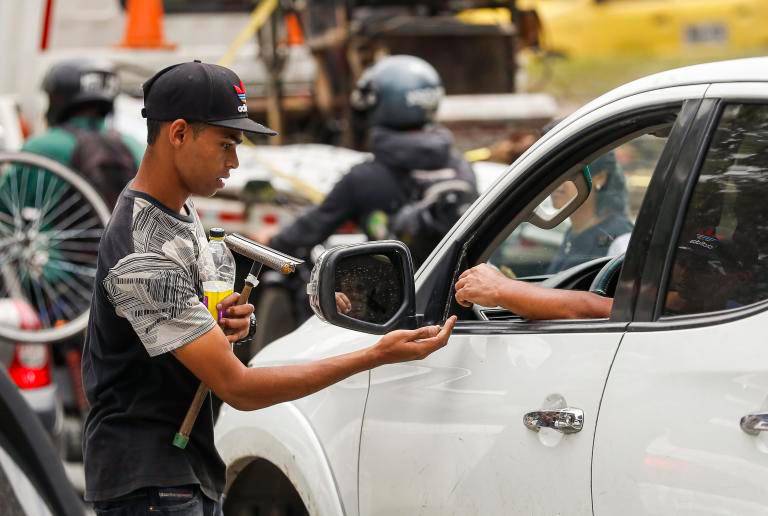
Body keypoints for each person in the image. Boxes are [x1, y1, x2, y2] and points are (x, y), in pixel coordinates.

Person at [81, 60, 456, 516]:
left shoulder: (178, 214)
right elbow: (239, 388)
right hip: (151, 486)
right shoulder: (143, 253)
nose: (234, 161)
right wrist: (375, 356)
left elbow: (173, 342)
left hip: (180, 474)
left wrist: (222, 322)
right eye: (225, 143)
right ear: (178, 134)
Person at [259, 55, 477, 267]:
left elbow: (310, 229)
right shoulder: (462, 168)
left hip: (396, 299)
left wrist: (270, 243)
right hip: (457, 295)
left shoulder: (364, 179)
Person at [455, 228, 753, 321]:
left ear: (736, 279)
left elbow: (583, 307)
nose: (685, 271)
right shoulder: (679, 301)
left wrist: (500, 289)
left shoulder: (734, 314)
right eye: (681, 260)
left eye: (702, 267)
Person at [22, 58, 143, 208]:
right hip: (122, 231)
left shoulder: (40, 147)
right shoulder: (135, 147)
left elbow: (5, 209)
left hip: (56, 231)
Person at [547, 151, 633, 273]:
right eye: (553, 172)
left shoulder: (621, 241)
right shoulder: (573, 231)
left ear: (600, 178)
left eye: (568, 172)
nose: (555, 181)